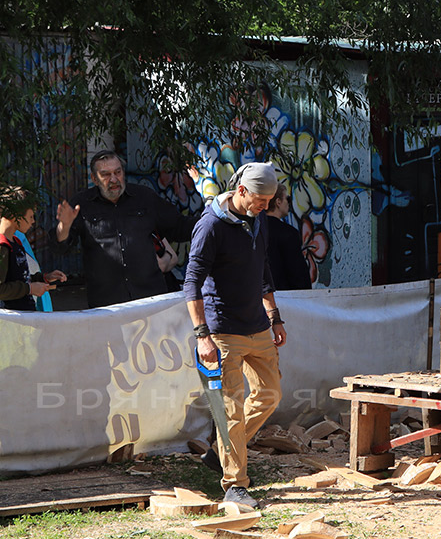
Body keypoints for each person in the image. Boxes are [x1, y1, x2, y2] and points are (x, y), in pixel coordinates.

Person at [184, 162, 287, 509]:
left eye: (269, 201)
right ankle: (235, 485)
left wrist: (274, 316)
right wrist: (202, 335)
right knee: (230, 410)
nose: (265, 207)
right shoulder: (211, 225)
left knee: (270, 395)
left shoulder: (258, 220)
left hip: (257, 325)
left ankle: (219, 451)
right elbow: (191, 283)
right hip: (221, 330)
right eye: (260, 200)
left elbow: (262, 267)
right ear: (241, 191)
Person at [56, 150, 195, 308]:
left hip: (150, 299)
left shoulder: (144, 197)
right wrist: (64, 226)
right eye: (106, 174)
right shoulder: (82, 204)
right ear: (94, 179)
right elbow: (61, 247)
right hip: (108, 305)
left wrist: (215, 218)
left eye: (117, 172)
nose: (114, 179)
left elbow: (179, 226)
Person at [1, 191, 66, 311]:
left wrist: (45, 278)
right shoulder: (2, 246)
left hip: (25, 317)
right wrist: (30, 289)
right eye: (31, 216)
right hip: (11, 321)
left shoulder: (16, 242)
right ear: (17, 216)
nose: (33, 221)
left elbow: (19, 278)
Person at [264, 183, 312, 291]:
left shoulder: (255, 230)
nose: (289, 203)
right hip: (284, 298)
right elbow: (298, 273)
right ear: (278, 202)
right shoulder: (288, 233)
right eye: (287, 199)